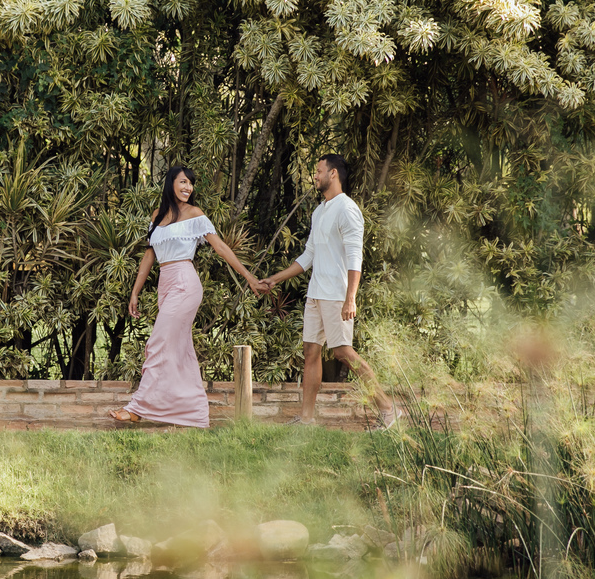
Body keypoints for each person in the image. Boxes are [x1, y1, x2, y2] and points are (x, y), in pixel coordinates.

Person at [109, 167, 265, 427]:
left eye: (191, 183)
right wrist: (134, 292)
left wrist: (249, 278)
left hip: (185, 283)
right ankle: (195, 413)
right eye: (183, 182)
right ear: (171, 183)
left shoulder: (196, 215)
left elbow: (221, 247)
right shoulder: (157, 216)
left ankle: (136, 409)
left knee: (157, 343)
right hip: (165, 284)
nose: (188, 187)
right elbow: (149, 255)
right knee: (179, 351)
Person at [259, 154, 401, 429]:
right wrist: (275, 279)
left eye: (318, 171)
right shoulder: (320, 210)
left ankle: (387, 408)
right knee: (311, 352)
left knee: (343, 353)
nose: (315, 175)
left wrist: (351, 298)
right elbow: (308, 256)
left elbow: (354, 257)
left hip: (337, 295)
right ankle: (308, 420)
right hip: (316, 293)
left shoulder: (347, 209)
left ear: (333, 174)